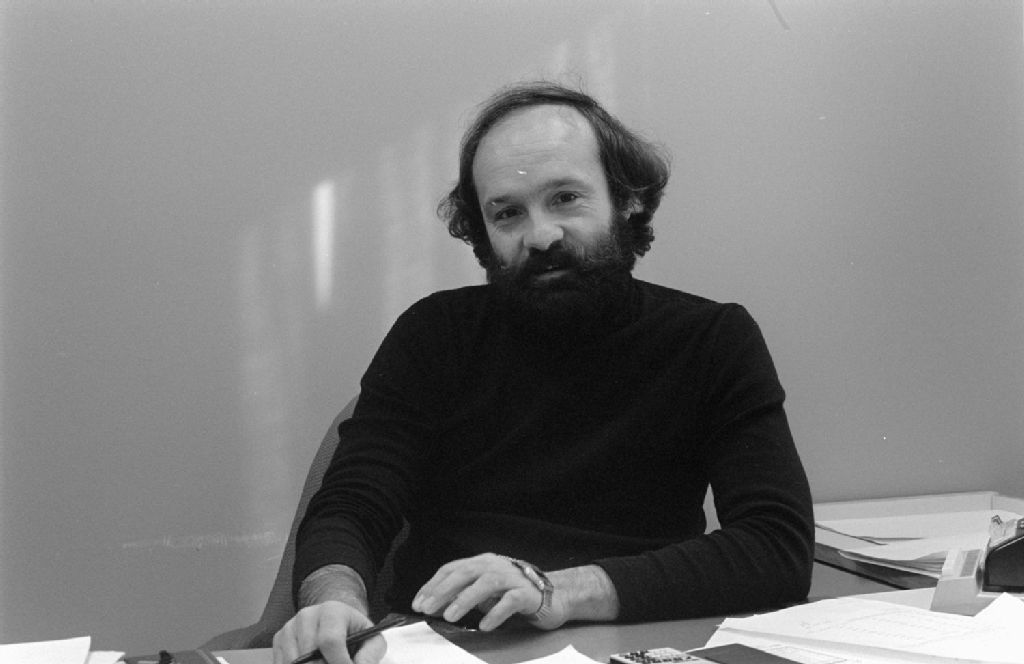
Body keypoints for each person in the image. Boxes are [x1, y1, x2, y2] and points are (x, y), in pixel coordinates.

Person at [272, 82, 814, 664]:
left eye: (565, 198)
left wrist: (557, 591)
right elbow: (352, 504)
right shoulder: (434, 334)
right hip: (448, 644)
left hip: (639, 640)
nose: (541, 235)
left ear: (626, 199)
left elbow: (775, 545)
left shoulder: (712, 339)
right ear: (481, 231)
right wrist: (335, 601)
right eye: (507, 213)